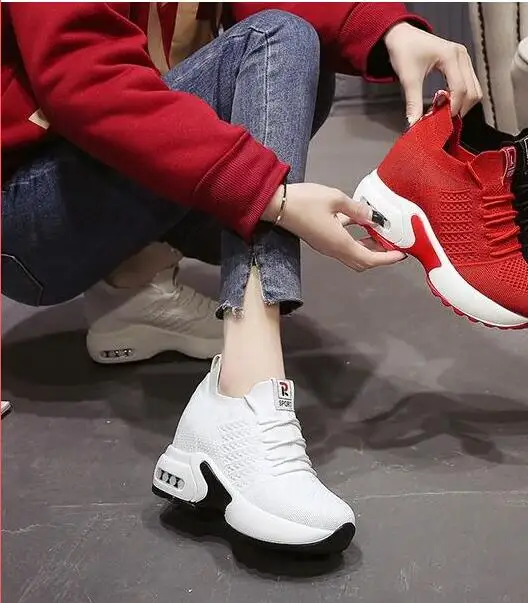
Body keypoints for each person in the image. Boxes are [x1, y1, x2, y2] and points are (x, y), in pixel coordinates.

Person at [2, 3, 482, 553]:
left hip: (102, 193)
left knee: (297, 43)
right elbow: (84, 77)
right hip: (24, 221)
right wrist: (269, 195)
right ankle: (242, 394)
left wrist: (388, 29)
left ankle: (131, 288)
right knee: (277, 40)